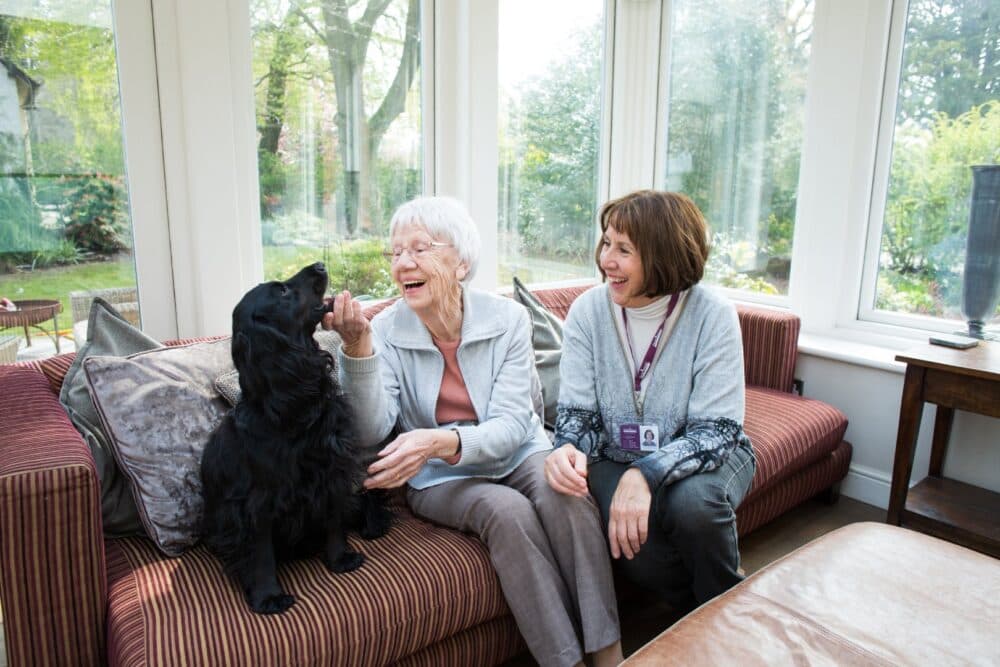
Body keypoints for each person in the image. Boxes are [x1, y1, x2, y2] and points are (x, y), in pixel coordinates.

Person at [324, 196, 622, 667]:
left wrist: (438, 440)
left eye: (419, 248)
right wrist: (359, 348)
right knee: (506, 511)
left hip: (517, 450)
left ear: (460, 263)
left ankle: (610, 657)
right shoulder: (384, 329)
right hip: (439, 475)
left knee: (568, 495)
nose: (403, 262)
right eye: (396, 252)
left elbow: (512, 424)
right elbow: (368, 430)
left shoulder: (508, 319)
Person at [545, 189, 756, 612]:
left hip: (708, 452)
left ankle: (726, 619)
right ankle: (695, 614)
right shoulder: (587, 311)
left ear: (663, 255)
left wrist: (644, 473)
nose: (606, 260)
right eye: (606, 243)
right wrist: (565, 448)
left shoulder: (712, 314)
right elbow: (577, 416)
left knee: (693, 507)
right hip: (613, 454)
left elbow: (716, 431)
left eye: (624, 249)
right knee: (633, 544)